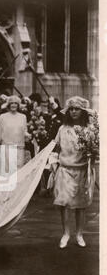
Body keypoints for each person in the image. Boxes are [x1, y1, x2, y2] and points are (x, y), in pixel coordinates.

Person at [51, 96, 96, 249]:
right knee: (64, 202)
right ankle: (65, 233)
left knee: (80, 204)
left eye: (77, 109)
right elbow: (56, 148)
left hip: (82, 170)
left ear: (83, 112)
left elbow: (94, 151)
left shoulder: (89, 130)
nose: (74, 112)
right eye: (71, 109)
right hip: (65, 169)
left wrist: (92, 155)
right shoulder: (62, 129)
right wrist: (53, 164)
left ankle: (79, 234)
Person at [0, 95, 28, 176]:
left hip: (19, 148)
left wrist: (27, 135)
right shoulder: (3, 117)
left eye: (15, 103)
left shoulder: (23, 117)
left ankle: (17, 188)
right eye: (12, 103)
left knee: (18, 172)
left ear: (18, 105)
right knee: (5, 171)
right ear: (8, 105)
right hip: (6, 148)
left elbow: (24, 131)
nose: (13, 105)